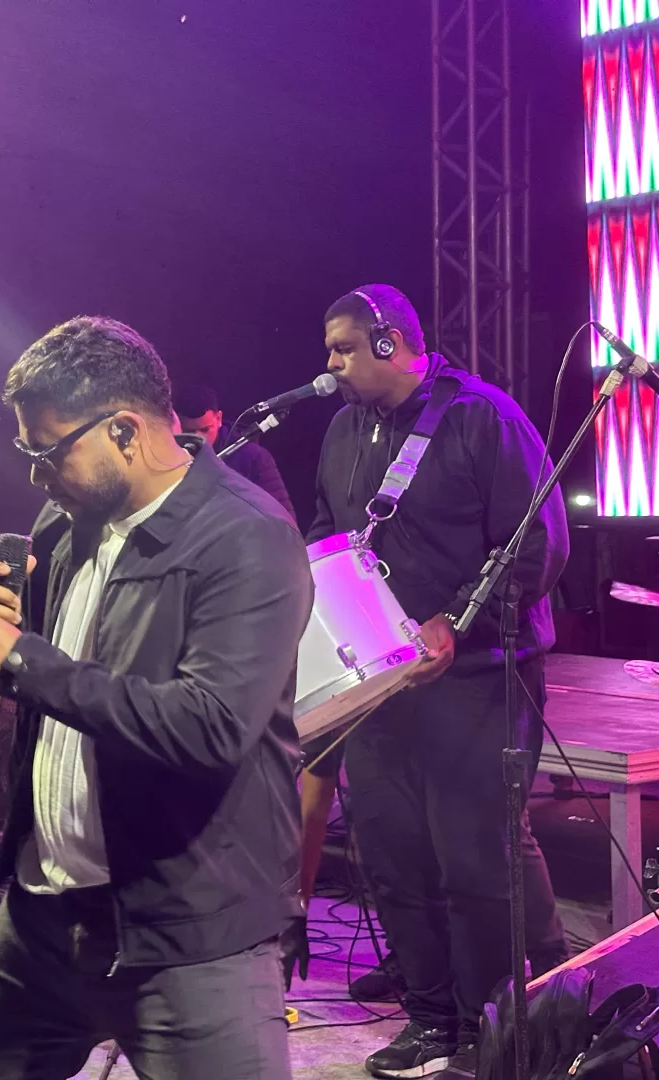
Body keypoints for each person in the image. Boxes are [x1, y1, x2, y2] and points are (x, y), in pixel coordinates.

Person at [0, 316, 313, 1079]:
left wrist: (23, 661)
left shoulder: (246, 536)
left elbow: (210, 726)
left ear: (124, 430)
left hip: (187, 934)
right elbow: (63, 684)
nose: (35, 477)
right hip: (43, 918)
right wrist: (5, 642)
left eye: (48, 453)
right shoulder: (66, 524)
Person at [309, 285, 568, 1080]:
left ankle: (493, 1028)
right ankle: (431, 1021)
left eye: (344, 349)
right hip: (382, 687)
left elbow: (537, 542)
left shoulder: (482, 418)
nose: (331, 365)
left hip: (479, 678)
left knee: (474, 860)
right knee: (395, 857)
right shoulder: (344, 430)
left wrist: (458, 620)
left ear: (390, 343)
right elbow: (329, 536)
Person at [174, 384, 295, 518]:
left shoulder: (253, 457)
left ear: (219, 419)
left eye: (205, 429)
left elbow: (284, 518)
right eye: (189, 431)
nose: (199, 438)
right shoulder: (169, 455)